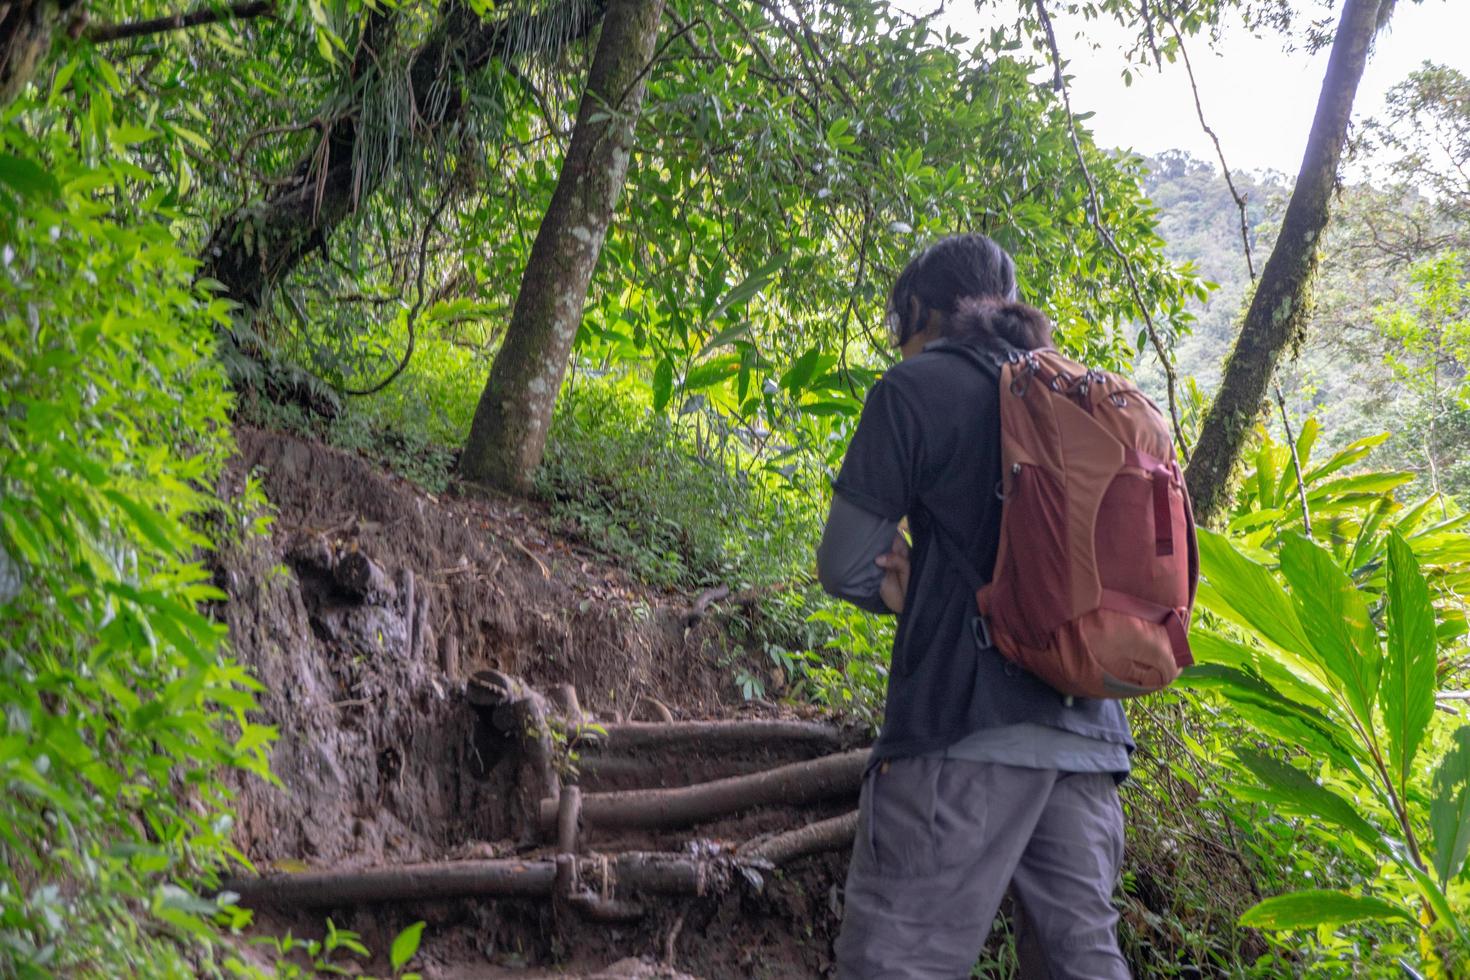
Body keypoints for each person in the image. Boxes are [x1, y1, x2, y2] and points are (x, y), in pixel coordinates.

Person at [816, 233, 1134, 979]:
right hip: (1089, 737)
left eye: (902, 322)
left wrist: (908, 592)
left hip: (961, 732)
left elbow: (844, 563)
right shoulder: (1078, 397)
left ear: (922, 310)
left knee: (898, 959)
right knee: (1081, 962)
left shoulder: (915, 390)